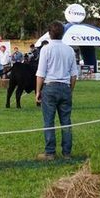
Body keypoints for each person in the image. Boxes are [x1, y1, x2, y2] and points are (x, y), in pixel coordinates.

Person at [35, 21, 78, 161]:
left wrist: (37, 92)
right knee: (66, 121)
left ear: (49, 33)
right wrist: (70, 90)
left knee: (49, 121)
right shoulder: (70, 50)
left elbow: (40, 73)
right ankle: (67, 153)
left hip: (50, 87)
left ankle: (50, 153)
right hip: (65, 87)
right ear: (63, 33)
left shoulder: (46, 49)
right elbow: (74, 75)